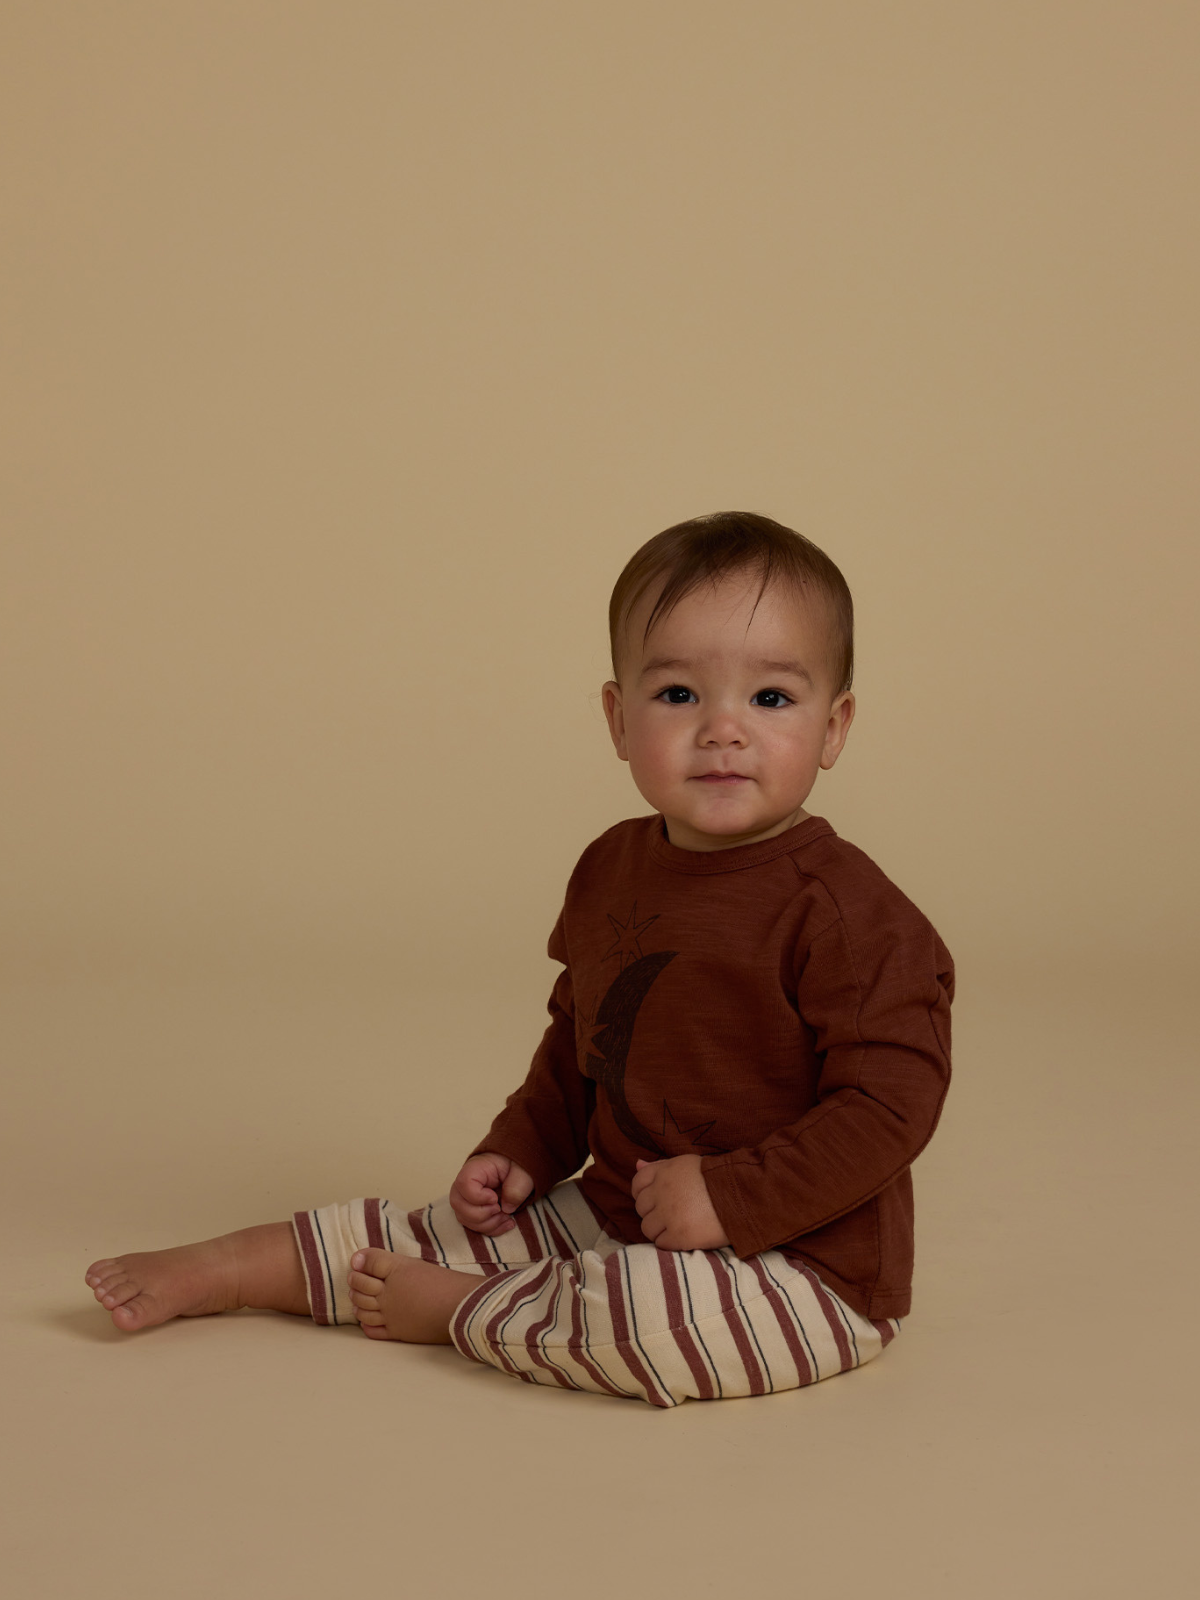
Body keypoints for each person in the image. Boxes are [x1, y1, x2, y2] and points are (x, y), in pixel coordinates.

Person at [84, 511, 954, 1408]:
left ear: (835, 726)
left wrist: (731, 1198)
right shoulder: (612, 867)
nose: (722, 730)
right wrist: (526, 1146)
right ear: (619, 719)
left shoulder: (849, 914)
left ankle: (470, 1312)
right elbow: (587, 1038)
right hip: (624, 1214)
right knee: (428, 1232)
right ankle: (233, 1267)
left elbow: (893, 1105)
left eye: (770, 699)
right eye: (679, 696)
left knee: (647, 1321)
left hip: (799, 1268)